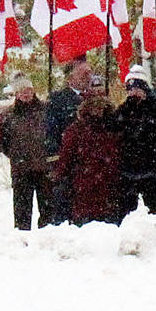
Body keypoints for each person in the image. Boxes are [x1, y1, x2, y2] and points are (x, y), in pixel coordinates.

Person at [112, 72, 156, 218]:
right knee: (127, 216)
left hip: (152, 170)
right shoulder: (124, 111)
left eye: (136, 88)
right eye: (130, 89)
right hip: (129, 172)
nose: (133, 92)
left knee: (155, 214)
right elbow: (114, 134)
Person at [53, 82, 124, 225]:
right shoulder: (76, 130)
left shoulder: (114, 128)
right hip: (83, 190)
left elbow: (121, 155)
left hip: (109, 189)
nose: (97, 110)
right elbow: (66, 158)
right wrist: (59, 176)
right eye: (94, 106)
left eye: (100, 106)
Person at [0, 75, 53, 229]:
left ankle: (47, 237)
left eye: (28, 90)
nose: (25, 93)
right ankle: (22, 237)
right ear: (16, 94)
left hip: (44, 168)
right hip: (21, 169)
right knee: (22, 210)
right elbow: (1, 140)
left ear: (33, 91)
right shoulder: (9, 115)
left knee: (47, 209)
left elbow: (54, 134)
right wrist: (15, 153)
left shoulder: (46, 110)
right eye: (22, 91)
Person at [43, 58, 91, 224]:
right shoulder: (57, 100)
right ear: (70, 78)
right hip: (67, 164)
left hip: (90, 167)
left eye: (89, 73)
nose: (87, 77)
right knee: (64, 210)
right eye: (83, 74)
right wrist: (56, 161)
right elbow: (50, 132)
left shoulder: (95, 98)